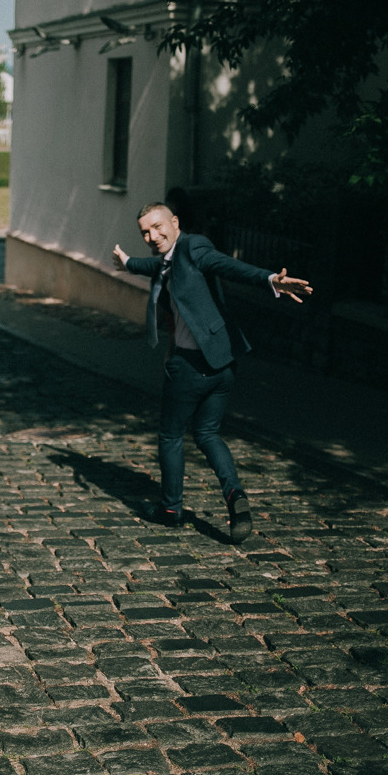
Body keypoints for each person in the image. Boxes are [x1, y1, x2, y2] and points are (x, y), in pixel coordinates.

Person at [113, 201, 312, 543]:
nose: (152, 235)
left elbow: (228, 266)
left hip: (191, 366)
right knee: (207, 433)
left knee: (171, 436)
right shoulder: (167, 259)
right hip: (222, 364)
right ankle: (235, 497)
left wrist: (270, 280)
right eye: (145, 231)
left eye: (158, 226)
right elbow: (152, 265)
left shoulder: (193, 246)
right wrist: (127, 262)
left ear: (175, 222)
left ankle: (170, 508)